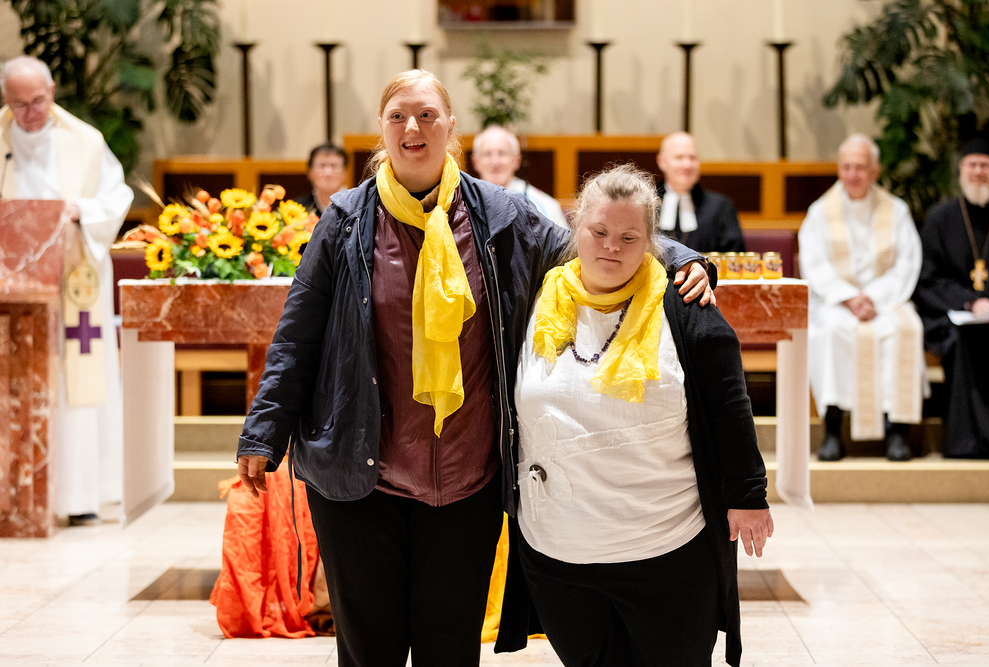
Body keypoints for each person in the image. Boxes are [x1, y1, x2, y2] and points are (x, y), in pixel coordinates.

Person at [234, 70, 713, 667]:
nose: (413, 127)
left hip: (466, 482)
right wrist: (263, 431)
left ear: (450, 127)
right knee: (368, 652)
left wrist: (688, 259)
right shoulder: (347, 220)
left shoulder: (499, 215)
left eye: (427, 115)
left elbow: (587, 242)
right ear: (381, 129)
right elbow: (297, 332)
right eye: (398, 116)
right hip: (361, 480)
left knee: (451, 650)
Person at [503, 164, 771, 667]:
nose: (612, 247)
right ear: (575, 228)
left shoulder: (685, 306)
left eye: (629, 237)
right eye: (599, 231)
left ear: (651, 241)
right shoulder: (532, 299)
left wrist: (747, 494)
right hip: (560, 555)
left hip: (666, 549)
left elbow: (729, 404)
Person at [0, 56, 133, 526]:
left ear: (52, 91)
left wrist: (82, 211)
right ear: (6, 99)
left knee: (78, 380)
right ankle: (13, 496)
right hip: (9, 285)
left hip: (73, 279)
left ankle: (79, 495)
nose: (31, 113)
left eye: (38, 101)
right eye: (20, 104)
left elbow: (117, 196)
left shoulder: (85, 140)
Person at [798, 134, 927, 462]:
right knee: (830, 332)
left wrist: (873, 298)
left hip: (886, 301)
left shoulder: (896, 211)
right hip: (836, 302)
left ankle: (897, 432)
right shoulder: (820, 212)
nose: (853, 174)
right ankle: (832, 431)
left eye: (860, 167)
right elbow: (814, 263)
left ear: (875, 170)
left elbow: (907, 262)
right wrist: (848, 297)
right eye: (846, 167)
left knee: (905, 328)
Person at [913, 136, 989, 458]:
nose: (978, 171)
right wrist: (970, 303)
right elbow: (928, 278)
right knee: (962, 339)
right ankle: (966, 443)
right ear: (961, 170)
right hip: (952, 315)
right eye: (972, 164)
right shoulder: (941, 218)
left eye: (986, 165)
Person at [655, 131, 745, 252]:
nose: (687, 164)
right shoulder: (645, 204)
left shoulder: (721, 206)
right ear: (662, 161)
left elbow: (735, 255)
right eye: (679, 157)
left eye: (692, 158)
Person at [470, 124, 568, 228]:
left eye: (502, 153)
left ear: (517, 160)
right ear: (475, 162)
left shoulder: (545, 205)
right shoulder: (463, 204)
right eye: (487, 154)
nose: (495, 162)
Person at [294, 143, 349, 216]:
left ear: (345, 172)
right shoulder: (297, 208)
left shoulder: (355, 207)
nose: (328, 173)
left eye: (334, 166)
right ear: (310, 172)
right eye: (322, 166)